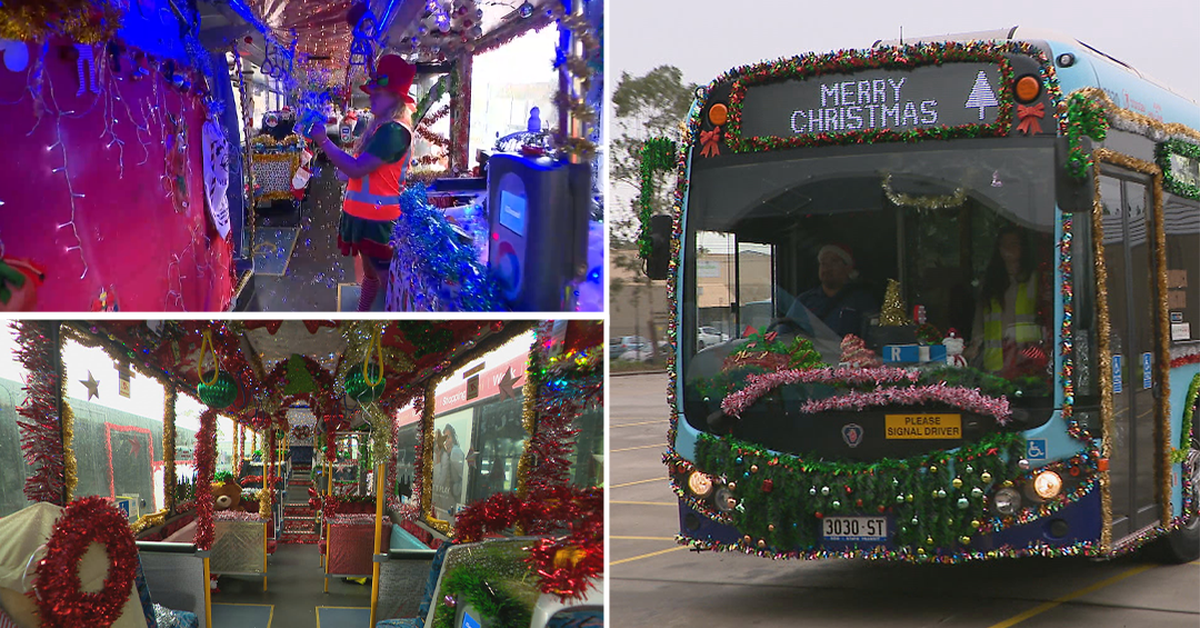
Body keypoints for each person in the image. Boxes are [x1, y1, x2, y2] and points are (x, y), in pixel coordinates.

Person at [308, 54, 416, 311]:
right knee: (371, 274)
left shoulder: (393, 131)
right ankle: (364, 313)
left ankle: (386, 325)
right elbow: (365, 170)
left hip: (377, 222)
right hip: (367, 218)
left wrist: (324, 142)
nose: (372, 96)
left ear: (395, 97)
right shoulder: (383, 129)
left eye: (379, 92)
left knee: (384, 278)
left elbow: (357, 169)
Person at [966, 226, 1048, 377]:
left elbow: (1045, 318)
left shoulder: (1035, 280)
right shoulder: (990, 282)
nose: (1008, 249)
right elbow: (979, 322)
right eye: (1004, 244)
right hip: (994, 363)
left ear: (1023, 247)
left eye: (1013, 244)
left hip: (1026, 360)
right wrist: (974, 346)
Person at [790, 244, 877, 337]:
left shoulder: (862, 301)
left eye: (834, 262)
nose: (827, 268)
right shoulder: (804, 300)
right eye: (823, 263)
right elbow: (785, 333)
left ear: (848, 268)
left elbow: (873, 336)